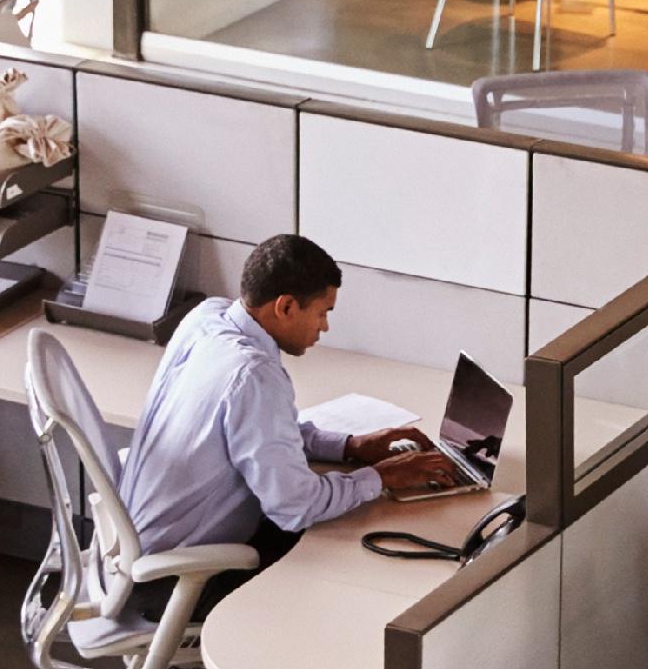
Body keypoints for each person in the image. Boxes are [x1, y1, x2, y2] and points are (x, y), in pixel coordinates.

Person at [116, 236, 451, 600]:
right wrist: (384, 476)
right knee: (346, 556)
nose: (324, 328)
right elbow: (296, 507)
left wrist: (350, 446)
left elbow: (265, 429)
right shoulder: (253, 373)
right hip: (176, 580)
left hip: (136, 549)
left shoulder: (207, 318)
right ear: (287, 307)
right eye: (322, 312)